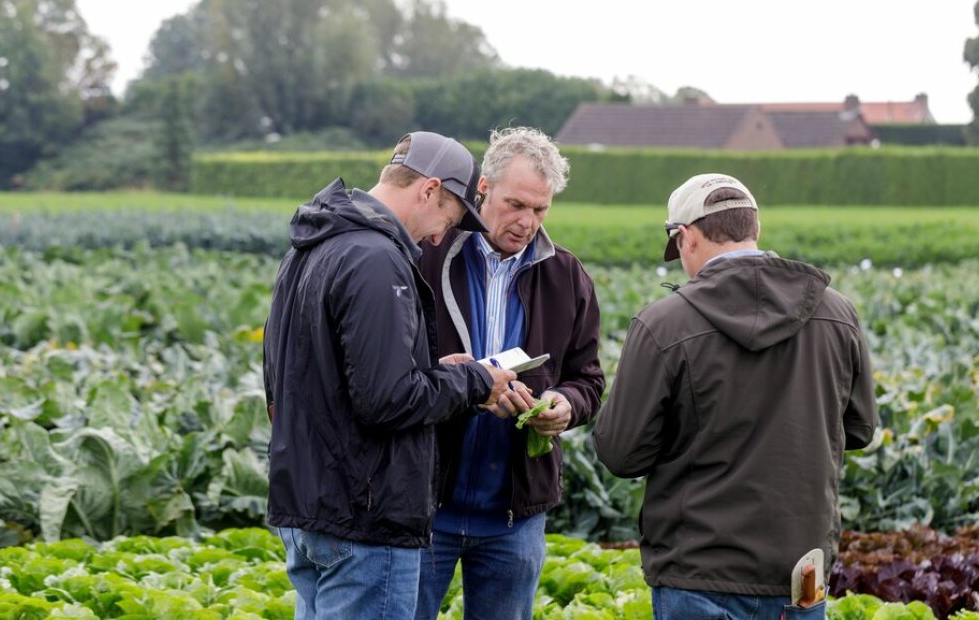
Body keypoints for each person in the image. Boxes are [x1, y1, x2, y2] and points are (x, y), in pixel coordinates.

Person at [593, 173, 877, 620]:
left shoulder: (663, 325)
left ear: (685, 237)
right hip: (800, 571)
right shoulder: (837, 314)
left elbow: (621, 454)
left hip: (697, 570)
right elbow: (860, 429)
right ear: (755, 230)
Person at [262, 131, 522, 620]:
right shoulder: (377, 258)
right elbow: (385, 400)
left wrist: (431, 372)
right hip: (365, 517)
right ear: (428, 189)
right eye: (447, 216)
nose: (441, 235)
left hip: (309, 509)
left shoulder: (310, 245)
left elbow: (291, 380)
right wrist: (477, 382)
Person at [414, 127, 605, 620]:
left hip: (514, 515)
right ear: (484, 189)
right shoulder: (428, 254)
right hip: (425, 502)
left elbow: (588, 379)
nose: (526, 222)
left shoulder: (568, 276)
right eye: (515, 204)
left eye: (540, 210)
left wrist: (565, 405)